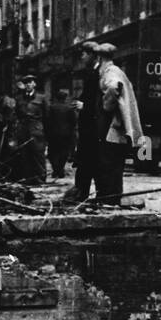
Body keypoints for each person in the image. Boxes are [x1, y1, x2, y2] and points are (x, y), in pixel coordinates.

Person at [95, 43, 145, 208]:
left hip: (113, 128)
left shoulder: (111, 72)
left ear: (100, 58)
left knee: (108, 163)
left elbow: (114, 86)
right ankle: (113, 198)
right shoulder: (119, 71)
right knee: (115, 165)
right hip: (120, 128)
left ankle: (108, 199)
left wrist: (106, 106)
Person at [64, 42, 101, 203]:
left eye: (85, 54)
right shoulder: (91, 72)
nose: (82, 56)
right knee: (85, 161)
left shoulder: (98, 73)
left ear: (93, 55)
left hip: (94, 128)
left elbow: (101, 100)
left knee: (89, 161)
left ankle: (84, 193)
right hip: (88, 127)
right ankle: (81, 192)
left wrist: (84, 106)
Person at [13, 74, 47, 184]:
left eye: (30, 82)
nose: (28, 84)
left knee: (38, 154)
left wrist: (45, 131)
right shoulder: (19, 98)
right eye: (26, 82)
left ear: (34, 84)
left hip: (37, 130)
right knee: (25, 154)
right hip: (23, 129)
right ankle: (28, 178)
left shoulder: (41, 98)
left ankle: (40, 178)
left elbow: (47, 116)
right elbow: (17, 114)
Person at [46, 89, 78, 180]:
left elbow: (48, 120)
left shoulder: (52, 107)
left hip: (53, 133)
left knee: (52, 152)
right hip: (66, 134)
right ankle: (60, 170)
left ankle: (56, 170)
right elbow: (74, 121)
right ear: (65, 98)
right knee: (63, 152)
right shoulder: (69, 108)